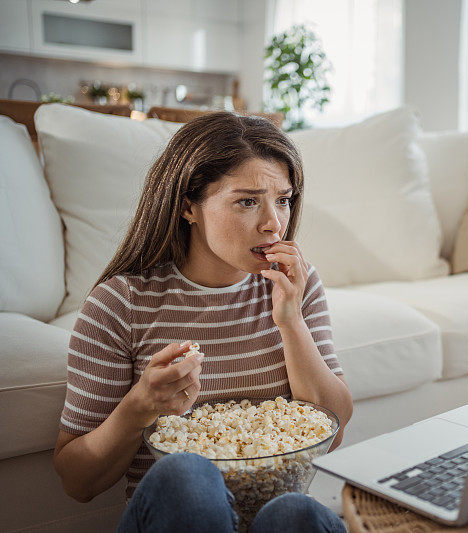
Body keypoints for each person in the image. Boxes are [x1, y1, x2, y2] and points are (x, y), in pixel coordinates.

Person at [52, 112, 353, 532]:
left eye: (282, 199)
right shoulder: (120, 305)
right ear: (188, 207)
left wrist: (291, 322)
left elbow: (332, 432)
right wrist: (140, 406)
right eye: (247, 201)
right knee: (186, 475)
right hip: (177, 515)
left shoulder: (297, 285)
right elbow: (77, 481)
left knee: (297, 513)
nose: (273, 223)